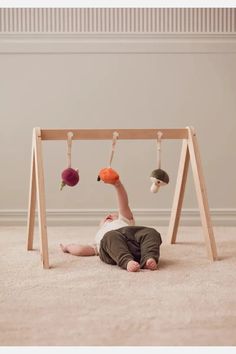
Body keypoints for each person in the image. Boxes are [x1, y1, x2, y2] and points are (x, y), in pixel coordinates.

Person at [60, 177, 162, 272]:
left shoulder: (125, 221)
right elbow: (81, 250)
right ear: (101, 226)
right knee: (110, 236)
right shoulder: (99, 239)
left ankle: (149, 258)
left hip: (136, 246)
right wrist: (68, 247)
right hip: (113, 253)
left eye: (114, 215)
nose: (109, 215)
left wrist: (118, 185)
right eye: (105, 217)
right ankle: (126, 261)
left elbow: (124, 204)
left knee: (151, 232)